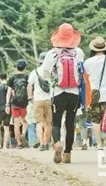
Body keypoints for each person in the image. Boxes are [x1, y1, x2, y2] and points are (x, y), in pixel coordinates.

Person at [41, 23, 86, 164]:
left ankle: (57, 144)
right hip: (74, 93)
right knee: (70, 122)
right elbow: (81, 70)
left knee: (56, 122)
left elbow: (44, 73)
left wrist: (54, 77)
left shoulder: (52, 53)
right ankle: (67, 153)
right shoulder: (78, 52)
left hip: (57, 92)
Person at [84, 36, 106, 151]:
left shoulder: (87, 62)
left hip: (95, 95)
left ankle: (99, 144)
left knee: (95, 120)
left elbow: (87, 76)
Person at [27, 51, 53, 151]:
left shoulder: (34, 72)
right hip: (49, 99)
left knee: (39, 123)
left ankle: (41, 143)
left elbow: (29, 87)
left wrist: (30, 98)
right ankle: (46, 143)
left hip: (37, 100)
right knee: (48, 123)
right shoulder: (51, 72)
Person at [5, 59, 29, 148]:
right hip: (25, 103)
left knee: (16, 124)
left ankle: (19, 143)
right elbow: (29, 90)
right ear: (25, 67)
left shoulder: (12, 78)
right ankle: (23, 133)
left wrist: (7, 104)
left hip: (15, 103)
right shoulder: (27, 77)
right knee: (25, 122)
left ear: (16, 67)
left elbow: (8, 92)